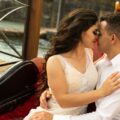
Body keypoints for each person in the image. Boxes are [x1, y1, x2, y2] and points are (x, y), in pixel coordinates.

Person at [24, 9, 120, 120]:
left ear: (113, 38)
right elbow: (72, 86)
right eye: (95, 32)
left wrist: (54, 117)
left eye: (99, 33)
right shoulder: (103, 61)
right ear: (81, 32)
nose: (97, 37)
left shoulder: (92, 55)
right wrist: (52, 90)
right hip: (51, 113)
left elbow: (102, 117)